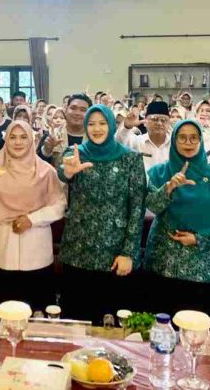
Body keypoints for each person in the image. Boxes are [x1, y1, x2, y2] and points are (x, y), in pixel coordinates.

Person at [57, 105, 146, 324]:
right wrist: (67, 171)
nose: (97, 128)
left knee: (112, 326)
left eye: (102, 123)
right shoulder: (76, 153)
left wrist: (129, 252)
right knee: (75, 322)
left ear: (111, 124)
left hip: (114, 255)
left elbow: (137, 208)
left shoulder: (130, 159)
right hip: (78, 252)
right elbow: (64, 169)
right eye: (91, 123)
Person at [0, 121, 65, 309]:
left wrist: (32, 219)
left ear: (31, 141)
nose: (18, 142)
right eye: (12, 137)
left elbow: (59, 205)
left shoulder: (45, 171)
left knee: (36, 312)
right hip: (1, 250)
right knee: (0, 310)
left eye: (23, 137)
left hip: (36, 251)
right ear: (6, 139)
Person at [144, 120, 210, 330]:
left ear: (201, 141)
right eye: (182, 137)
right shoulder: (159, 173)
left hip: (203, 267)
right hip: (164, 264)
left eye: (194, 137)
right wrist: (169, 188)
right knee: (162, 335)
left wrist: (200, 239)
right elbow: (152, 207)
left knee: (202, 338)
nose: (188, 142)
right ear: (174, 141)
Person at [38, 94, 90, 165]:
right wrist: (47, 150)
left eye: (83, 110)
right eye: (73, 108)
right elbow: (39, 166)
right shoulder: (51, 135)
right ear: (65, 111)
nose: (77, 113)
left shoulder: (94, 137)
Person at [123, 101, 171, 173]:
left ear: (168, 123)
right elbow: (118, 144)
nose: (159, 123)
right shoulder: (137, 142)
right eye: (155, 119)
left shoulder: (175, 145)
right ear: (145, 121)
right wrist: (126, 128)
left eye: (163, 120)